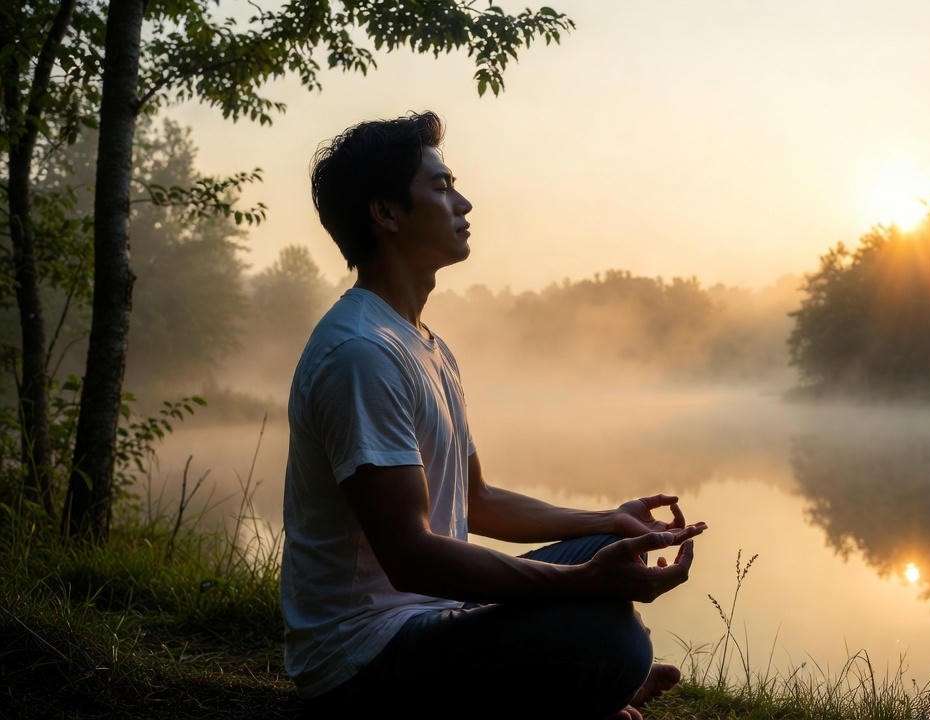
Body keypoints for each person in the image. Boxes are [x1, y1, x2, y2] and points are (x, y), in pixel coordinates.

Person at [280, 110, 707, 719]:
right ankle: (594, 689)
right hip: (361, 661)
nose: (465, 202)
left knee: (601, 550)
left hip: (430, 617)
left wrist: (608, 521)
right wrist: (581, 584)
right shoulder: (361, 354)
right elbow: (410, 556)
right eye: (442, 185)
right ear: (386, 213)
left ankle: (590, 687)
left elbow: (476, 499)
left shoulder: (424, 344)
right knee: (610, 642)